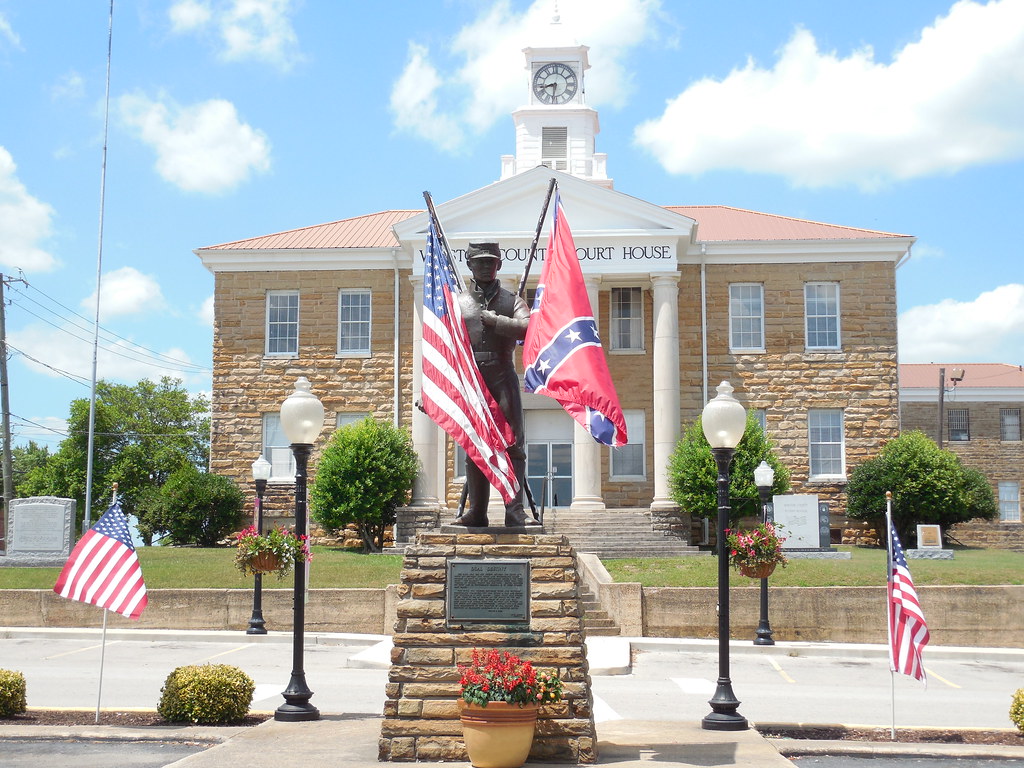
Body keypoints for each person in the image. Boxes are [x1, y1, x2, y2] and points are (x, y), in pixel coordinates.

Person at [454, 242, 539, 528]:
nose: (485, 266)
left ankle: (514, 511)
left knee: (513, 443)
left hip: (502, 375)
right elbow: (444, 345)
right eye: (479, 261)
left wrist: (496, 321)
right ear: (469, 265)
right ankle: (477, 512)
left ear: (499, 265)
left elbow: (529, 328)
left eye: (491, 261)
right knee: (475, 445)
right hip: (472, 378)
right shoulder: (458, 303)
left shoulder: (511, 301)